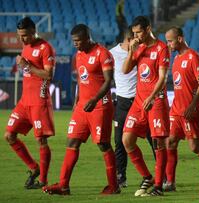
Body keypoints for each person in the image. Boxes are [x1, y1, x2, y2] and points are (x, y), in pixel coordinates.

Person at [43, 24, 119, 195]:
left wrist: (94, 99)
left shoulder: (103, 54)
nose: (75, 44)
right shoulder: (78, 55)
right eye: (73, 41)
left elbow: (108, 81)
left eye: (78, 41)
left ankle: (113, 186)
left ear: (87, 38)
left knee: (103, 144)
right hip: (82, 107)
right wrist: (77, 100)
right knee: (72, 142)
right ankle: (63, 186)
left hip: (99, 106)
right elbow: (81, 79)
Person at [4, 17, 55, 189]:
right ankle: (34, 168)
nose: (22, 39)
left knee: (41, 141)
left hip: (39, 103)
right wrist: (25, 66)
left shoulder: (45, 48)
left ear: (33, 31)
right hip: (24, 102)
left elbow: (48, 75)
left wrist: (27, 66)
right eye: (20, 35)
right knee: (9, 136)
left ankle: (43, 181)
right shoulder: (25, 46)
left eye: (24, 35)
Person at [122, 15, 170, 196]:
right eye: (134, 33)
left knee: (159, 143)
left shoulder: (161, 48)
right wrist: (131, 52)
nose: (137, 36)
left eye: (139, 32)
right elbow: (125, 70)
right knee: (127, 140)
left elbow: (163, 78)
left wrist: (151, 97)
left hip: (156, 101)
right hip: (139, 101)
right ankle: (147, 177)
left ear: (148, 28)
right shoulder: (138, 47)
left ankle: (158, 186)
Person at [163, 27, 199, 191]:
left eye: (170, 40)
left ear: (179, 39)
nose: (168, 44)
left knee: (195, 147)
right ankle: (170, 182)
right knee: (170, 141)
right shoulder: (176, 59)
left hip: (190, 110)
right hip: (176, 110)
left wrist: (192, 105)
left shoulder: (194, 57)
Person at [110, 28, 156, 189]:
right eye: (135, 38)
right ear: (129, 39)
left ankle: (161, 175)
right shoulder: (113, 54)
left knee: (154, 139)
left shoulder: (143, 51)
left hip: (141, 101)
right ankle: (121, 175)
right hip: (122, 102)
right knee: (120, 141)